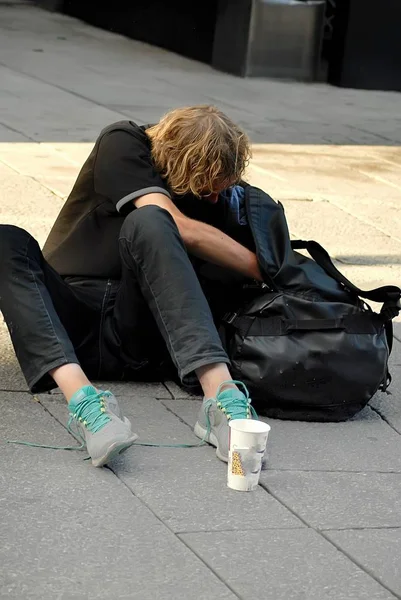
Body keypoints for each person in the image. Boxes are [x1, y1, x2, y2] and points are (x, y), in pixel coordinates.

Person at [0, 105, 262, 467]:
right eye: (206, 189)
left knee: (150, 222)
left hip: (139, 329)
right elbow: (175, 223)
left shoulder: (214, 193)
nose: (213, 199)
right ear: (178, 161)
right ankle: (86, 406)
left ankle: (221, 396)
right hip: (68, 321)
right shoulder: (123, 142)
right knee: (7, 240)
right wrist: (258, 267)